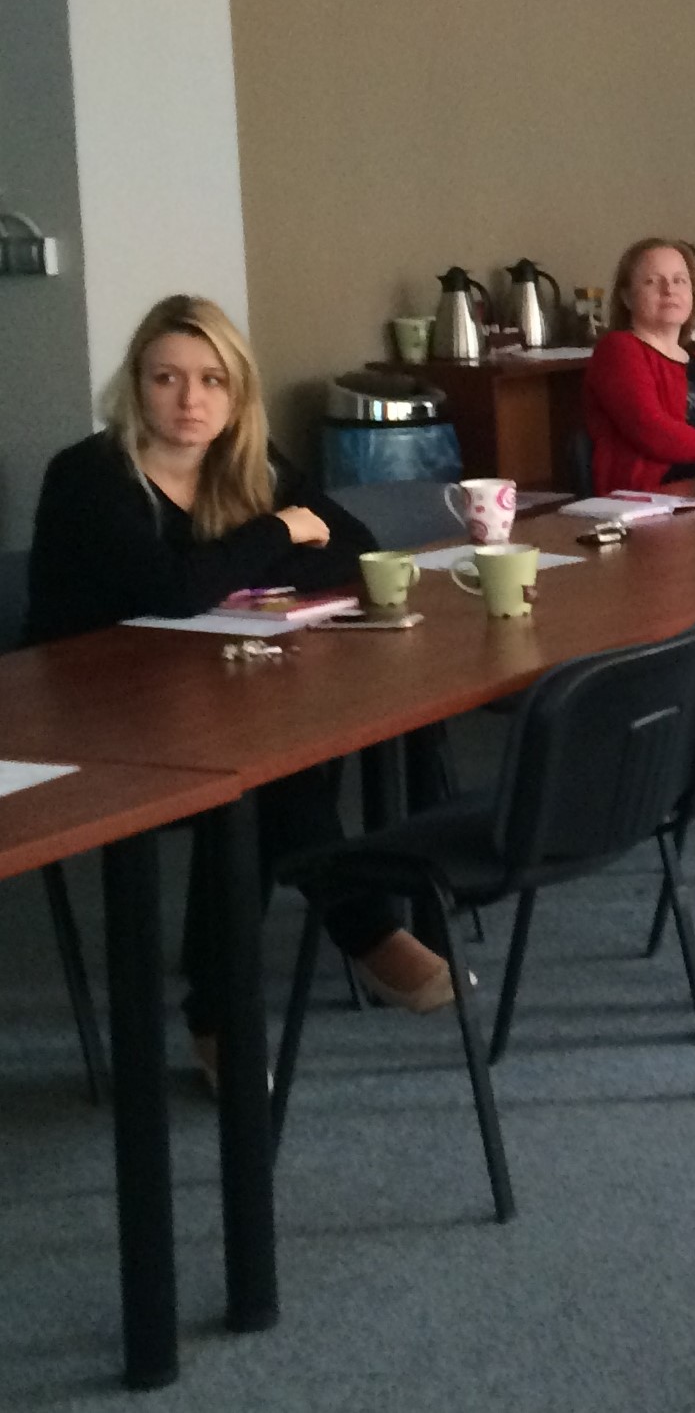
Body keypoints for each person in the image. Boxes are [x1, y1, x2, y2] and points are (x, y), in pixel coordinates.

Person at [26, 296, 452, 1079]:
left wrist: (247, 554)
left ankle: (226, 1005)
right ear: (136, 386)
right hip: (81, 721)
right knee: (261, 777)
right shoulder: (91, 476)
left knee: (267, 764)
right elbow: (175, 589)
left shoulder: (251, 463)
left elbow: (351, 550)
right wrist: (277, 532)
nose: (190, 400)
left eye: (212, 380)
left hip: (196, 691)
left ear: (237, 391)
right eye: (167, 378)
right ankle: (354, 934)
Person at [583, 238, 695, 492]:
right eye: (652, 281)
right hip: (652, 494)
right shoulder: (618, 349)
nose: (669, 289)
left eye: (679, 280)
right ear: (627, 297)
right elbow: (651, 430)